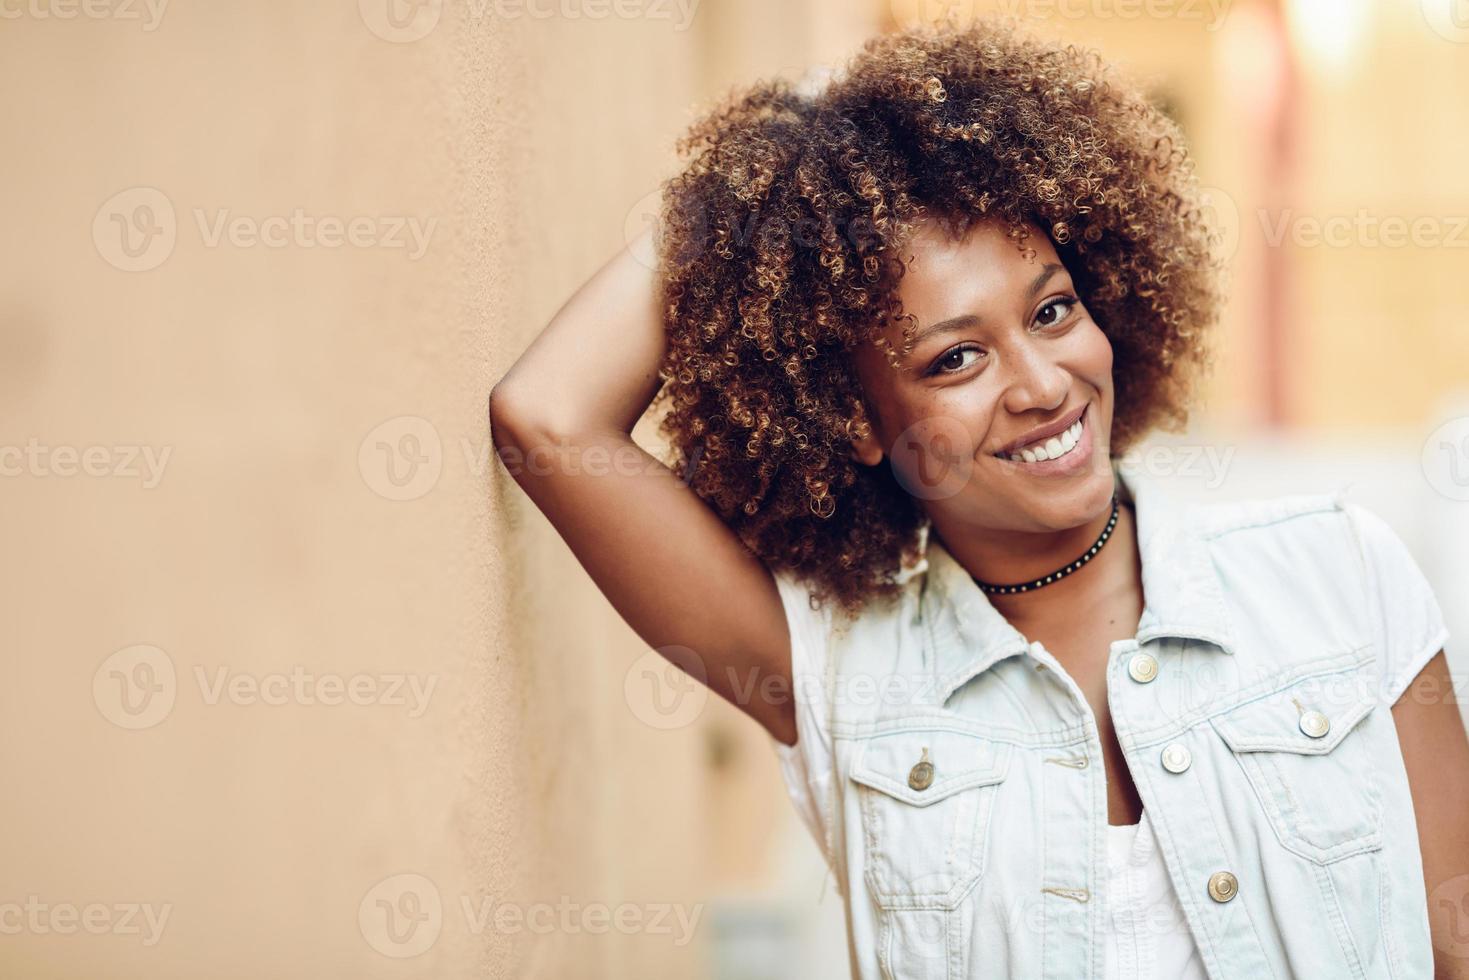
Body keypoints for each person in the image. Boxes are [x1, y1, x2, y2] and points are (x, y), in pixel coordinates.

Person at [489, 18, 1469, 979]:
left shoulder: (1337, 573)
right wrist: (768, 180)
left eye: (1052, 310)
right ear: (856, 416)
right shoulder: (834, 670)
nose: (1041, 383)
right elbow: (547, 416)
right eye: (953, 356)